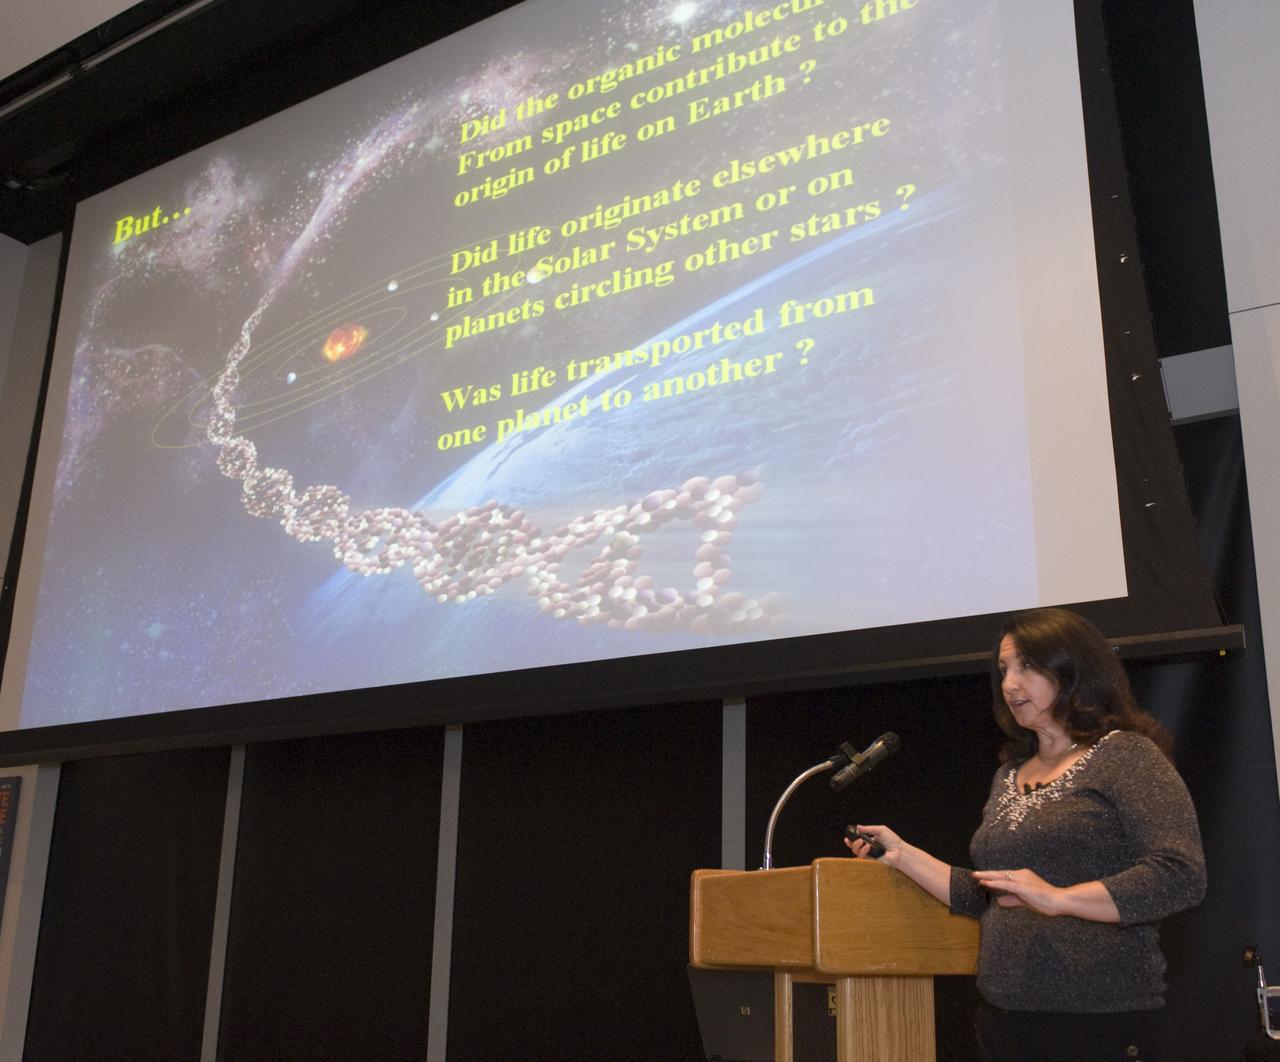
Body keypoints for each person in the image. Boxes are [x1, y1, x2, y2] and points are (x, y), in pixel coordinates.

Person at [846, 607, 1206, 1062]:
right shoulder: (1009, 774)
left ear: (1074, 669)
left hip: (1101, 1023)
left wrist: (1059, 898)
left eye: (1027, 667)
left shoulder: (1126, 755)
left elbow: (1180, 874)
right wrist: (902, 856)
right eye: (1003, 670)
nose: (1010, 684)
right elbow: (991, 894)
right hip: (1004, 1022)